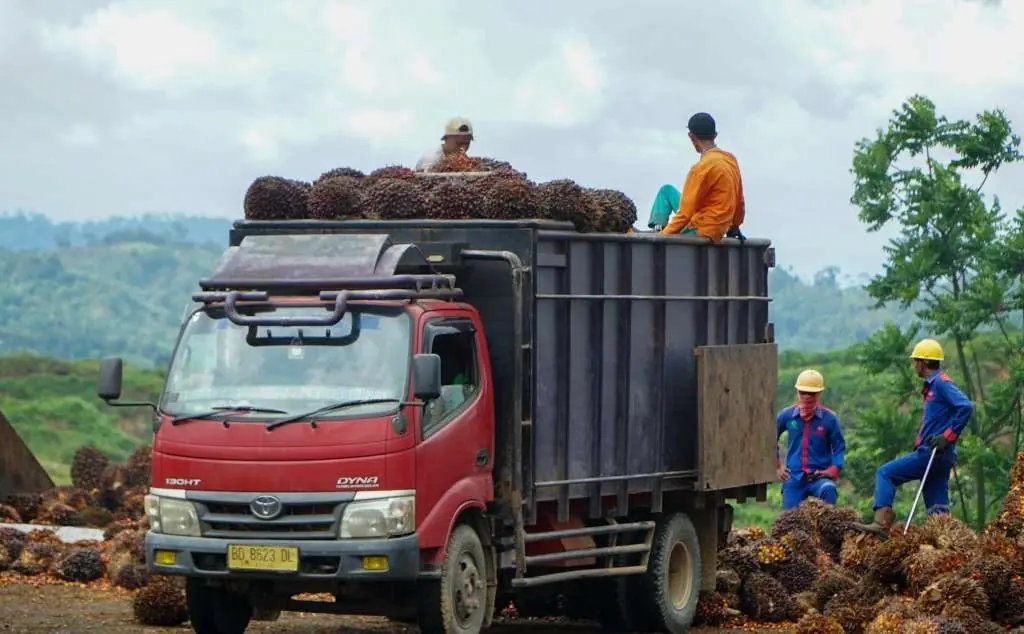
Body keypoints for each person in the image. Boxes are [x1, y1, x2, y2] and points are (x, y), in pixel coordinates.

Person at [852, 339, 974, 540]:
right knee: (937, 506)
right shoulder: (933, 386)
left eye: (915, 361)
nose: (914, 365)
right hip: (940, 456)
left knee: (885, 473)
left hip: (933, 453)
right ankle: (946, 542)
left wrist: (947, 436)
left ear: (922, 363)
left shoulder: (941, 383)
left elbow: (965, 406)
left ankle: (881, 522)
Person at [657, 112, 746, 242]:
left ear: (691, 137)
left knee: (667, 193)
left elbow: (685, 214)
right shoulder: (731, 160)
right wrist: (735, 225)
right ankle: (659, 228)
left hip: (702, 228)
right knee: (667, 190)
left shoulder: (700, 168)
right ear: (715, 135)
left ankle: (658, 228)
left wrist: (663, 236)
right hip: (720, 226)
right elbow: (739, 200)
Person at [775, 369, 846, 510]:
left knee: (828, 489)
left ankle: (828, 530)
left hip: (819, 476)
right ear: (797, 392)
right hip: (794, 477)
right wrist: (777, 466)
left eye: (812, 394)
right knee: (789, 519)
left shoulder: (829, 419)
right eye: (803, 392)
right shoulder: (787, 416)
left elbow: (839, 447)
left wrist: (834, 468)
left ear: (819, 394)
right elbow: (769, 438)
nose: (807, 397)